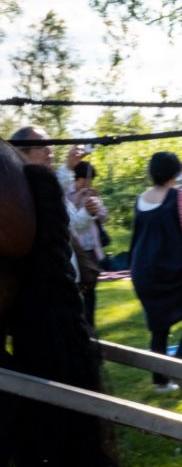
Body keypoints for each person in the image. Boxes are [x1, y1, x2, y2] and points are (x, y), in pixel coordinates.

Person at [129, 152, 182, 392]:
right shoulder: (178, 198)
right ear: (175, 171)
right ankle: (179, 369)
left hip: (144, 272)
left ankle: (160, 382)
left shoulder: (141, 199)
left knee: (159, 328)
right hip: (172, 270)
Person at [11, 126, 102, 320]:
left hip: (66, 281)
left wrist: (87, 212)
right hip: (43, 289)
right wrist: (68, 168)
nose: (50, 151)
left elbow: (70, 224)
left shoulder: (47, 187)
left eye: (50, 145)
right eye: (43, 146)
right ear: (21, 152)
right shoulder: (16, 194)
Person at [68, 160, 109, 328]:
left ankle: (89, 323)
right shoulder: (66, 194)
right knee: (76, 288)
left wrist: (96, 204)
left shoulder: (93, 195)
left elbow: (105, 217)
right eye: (86, 179)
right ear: (79, 179)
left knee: (91, 289)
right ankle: (78, 322)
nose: (88, 183)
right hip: (77, 249)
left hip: (93, 249)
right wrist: (77, 200)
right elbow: (70, 220)